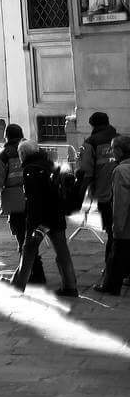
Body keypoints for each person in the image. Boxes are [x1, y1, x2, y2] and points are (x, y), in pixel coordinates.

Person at [10, 141, 78, 297]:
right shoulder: (51, 164)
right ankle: (70, 286)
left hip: (39, 219)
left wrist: (33, 223)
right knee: (62, 252)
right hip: (56, 215)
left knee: (28, 252)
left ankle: (18, 287)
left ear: (23, 154)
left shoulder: (30, 170)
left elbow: (34, 200)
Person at [78, 113, 121, 290]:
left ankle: (111, 272)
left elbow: (86, 171)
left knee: (112, 233)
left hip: (105, 194)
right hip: (123, 192)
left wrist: (81, 195)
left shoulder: (91, 142)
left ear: (92, 124)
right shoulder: (120, 139)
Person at [0, 123, 28, 252]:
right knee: (34, 237)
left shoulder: (2, 156)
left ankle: (29, 269)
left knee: (22, 240)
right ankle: (35, 268)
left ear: (6, 137)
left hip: (16, 202)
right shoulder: (34, 149)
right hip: (38, 198)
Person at [102, 134, 130, 296]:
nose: (112, 152)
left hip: (126, 223)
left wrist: (117, 226)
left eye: (113, 149)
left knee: (117, 254)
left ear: (119, 151)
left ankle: (111, 286)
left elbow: (121, 201)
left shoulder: (121, 170)